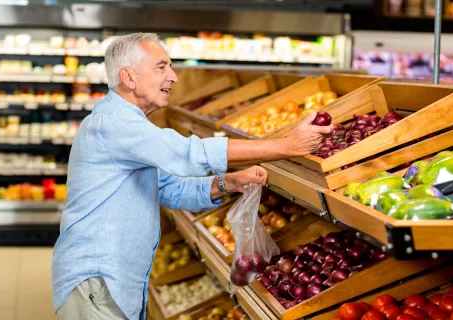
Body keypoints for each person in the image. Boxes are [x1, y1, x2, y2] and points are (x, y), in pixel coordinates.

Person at [52, 32, 332, 320]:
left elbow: (169, 189)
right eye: (161, 67)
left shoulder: (130, 127)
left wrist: (226, 182)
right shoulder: (114, 123)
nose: (173, 76)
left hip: (113, 279)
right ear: (129, 77)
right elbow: (186, 153)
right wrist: (283, 146)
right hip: (97, 279)